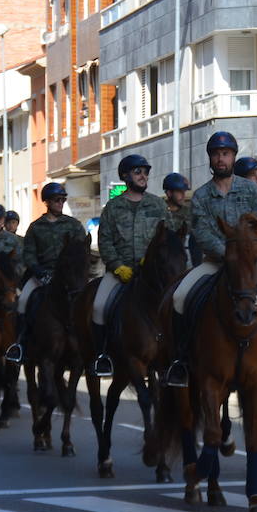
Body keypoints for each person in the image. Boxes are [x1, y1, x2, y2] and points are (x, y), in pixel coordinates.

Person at [165, 132, 257, 389]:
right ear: (210, 159)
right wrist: (229, 254)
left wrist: (245, 254)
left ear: (233, 157)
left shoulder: (251, 190)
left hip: (251, 267)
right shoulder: (201, 196)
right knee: (179, 297)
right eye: (216, 154)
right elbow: (201, 232)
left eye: (225, 153)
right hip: (214, 263)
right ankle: (180, 361)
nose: (220, 158)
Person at [92, 155, 171, 376]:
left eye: (145, 171)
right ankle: (103, 356)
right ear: (125, 176)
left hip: (152, 274)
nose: (143, 176)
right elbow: (105, 240)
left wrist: (153, 259)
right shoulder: (113, 208)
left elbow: (168, 237)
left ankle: (177, 358)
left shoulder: (158, 205)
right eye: (138, 172)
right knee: (98, 307)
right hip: (120, 273)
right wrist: (117, 266)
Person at [6, 183, 88, 363]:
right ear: (47, 202)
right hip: (41, 276)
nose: (60, 203)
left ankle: (92, 349)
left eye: (63, 200)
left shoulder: (73, 225)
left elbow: (82, 251)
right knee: (22, 303)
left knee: (87, 304)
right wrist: (39, 272)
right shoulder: (36, 227)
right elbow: (28, 254)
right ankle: (19, 345)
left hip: (69, 277)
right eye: (57, 200)